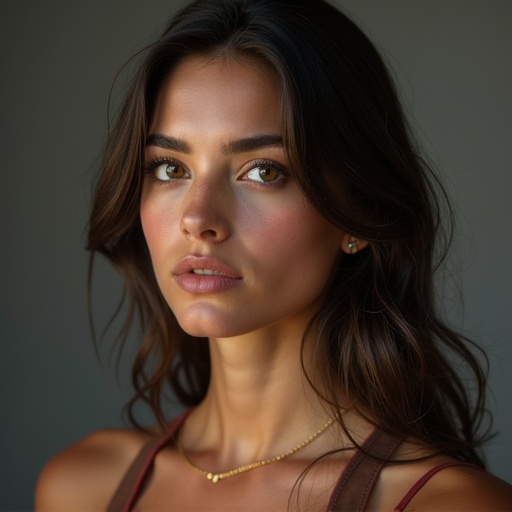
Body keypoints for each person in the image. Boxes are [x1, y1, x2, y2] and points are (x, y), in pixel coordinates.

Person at [35, 0, 512, 510]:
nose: (198, 218)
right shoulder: (81, 487)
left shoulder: (448, 504)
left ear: (357, 213)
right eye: (170, 168)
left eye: (263, 171)